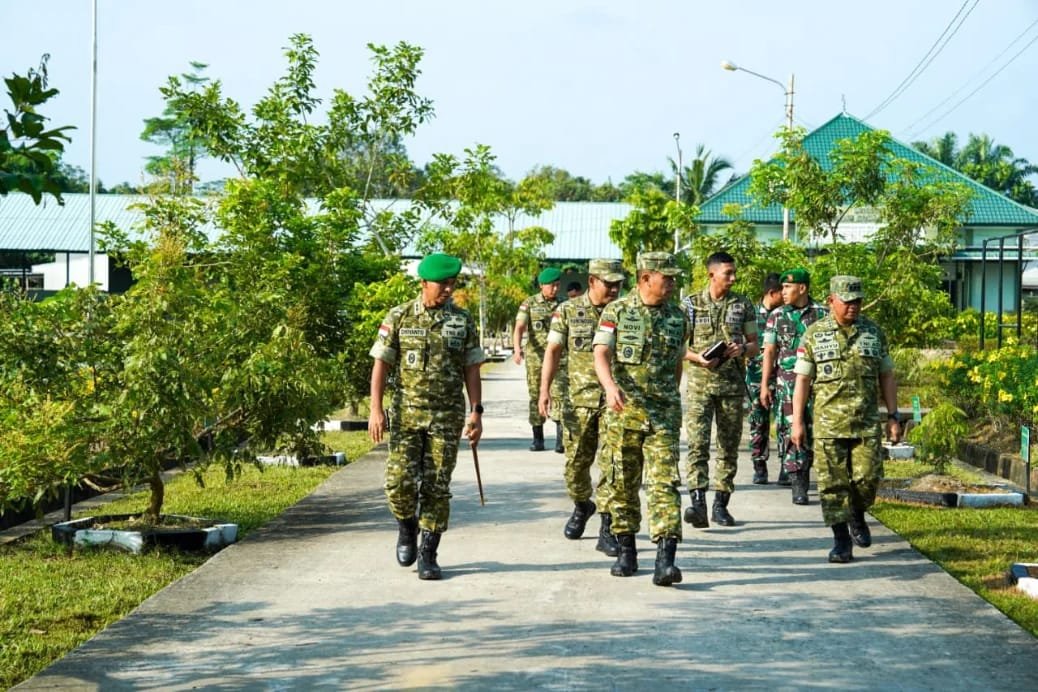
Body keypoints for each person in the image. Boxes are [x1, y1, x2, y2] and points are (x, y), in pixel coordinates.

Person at [368, 253, 485, 580]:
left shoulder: (461, 321)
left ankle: (429, 553)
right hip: (407, 416)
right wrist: (376, 409)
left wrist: (476, 412)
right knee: (398, 483)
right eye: (442, 284)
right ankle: (407, 527)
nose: (448, 289)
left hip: (446, 418)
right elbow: (381, 364)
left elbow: (471, 369)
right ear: (423, 283)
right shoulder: (400, 316)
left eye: (452, 284)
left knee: (437, 485)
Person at [593, 251, 690, 586]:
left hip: (663, 415)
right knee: (623, 483)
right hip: (624, 413)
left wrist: (669, 396)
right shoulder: (616, 311)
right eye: (668, 277)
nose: (673, 283)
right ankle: (626, 550)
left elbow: (679, 361)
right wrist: (609, 386)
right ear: (646, 277)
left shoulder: (678, 316)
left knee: (665, 483)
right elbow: (601, 352)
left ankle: (666, 560)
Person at [791, 275, 900, 563]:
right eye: (847, 301)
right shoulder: (813, 334)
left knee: (868, 479)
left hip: (865, 424)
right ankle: (841, 541)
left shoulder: (873, 332)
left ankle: (857, 513)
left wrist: (893, 416)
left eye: (858, 301)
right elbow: (802, 380)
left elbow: (886, 376)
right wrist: (797, 422)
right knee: (831, 486)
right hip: (828, 425)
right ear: (831, 301)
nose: (854, 306)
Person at [539, 258, 625, 554]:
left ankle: (607, 527)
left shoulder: (626, 313)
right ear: (592, 281)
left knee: (612, 466)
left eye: (618, 283)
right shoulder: (567, 310)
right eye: (608, 283)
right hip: (578, 401)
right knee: (576, 467)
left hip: (616, 402)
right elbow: (552, 350)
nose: (614, 288)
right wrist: (544, 390)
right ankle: (582, 505)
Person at [681, 251, 759, 528]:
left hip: (731, 387)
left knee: (728, 447)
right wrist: (697, 358)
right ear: (711, 274)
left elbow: (755, 343)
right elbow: (679, 346)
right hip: (700, 387)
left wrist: (742, 350)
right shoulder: (690, 304)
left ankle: (721, 505)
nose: (733, 278)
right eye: (728, 273)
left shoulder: (743, 305)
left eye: (734, 273)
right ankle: (698, 503)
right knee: (697, 445)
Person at [760, 267, 828, 504]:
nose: (783, 292)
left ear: (802, 288)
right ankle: (798, 481)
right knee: (792, 430)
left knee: (815, 429)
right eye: (782, 287)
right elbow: (769, 351)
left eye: (788, 287)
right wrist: (765, 384)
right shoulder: (777, 315)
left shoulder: (823, 314)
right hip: (787, 384)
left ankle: (807, 471)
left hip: (818, 383)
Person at [514, 267, 564, 452]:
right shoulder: (530, 303)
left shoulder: (564, 304)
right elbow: (519, 326)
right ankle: (538, 438)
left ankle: (561, 440)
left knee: (560, 395)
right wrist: (517, 348)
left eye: (558, 285)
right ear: (542, 285)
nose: (555, 289)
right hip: (537, 358)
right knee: (536, 395)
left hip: (560, 358)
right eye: (552, 285)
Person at [746, 273, 784, 485]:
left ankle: (786, 468)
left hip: (782, 378)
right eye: (782, 291)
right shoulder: (751, 315)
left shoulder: (785, 315)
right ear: (772, 293)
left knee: (783, 424)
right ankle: (759, 466)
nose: (786, 295)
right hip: (755, 378)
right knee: (758, 422)